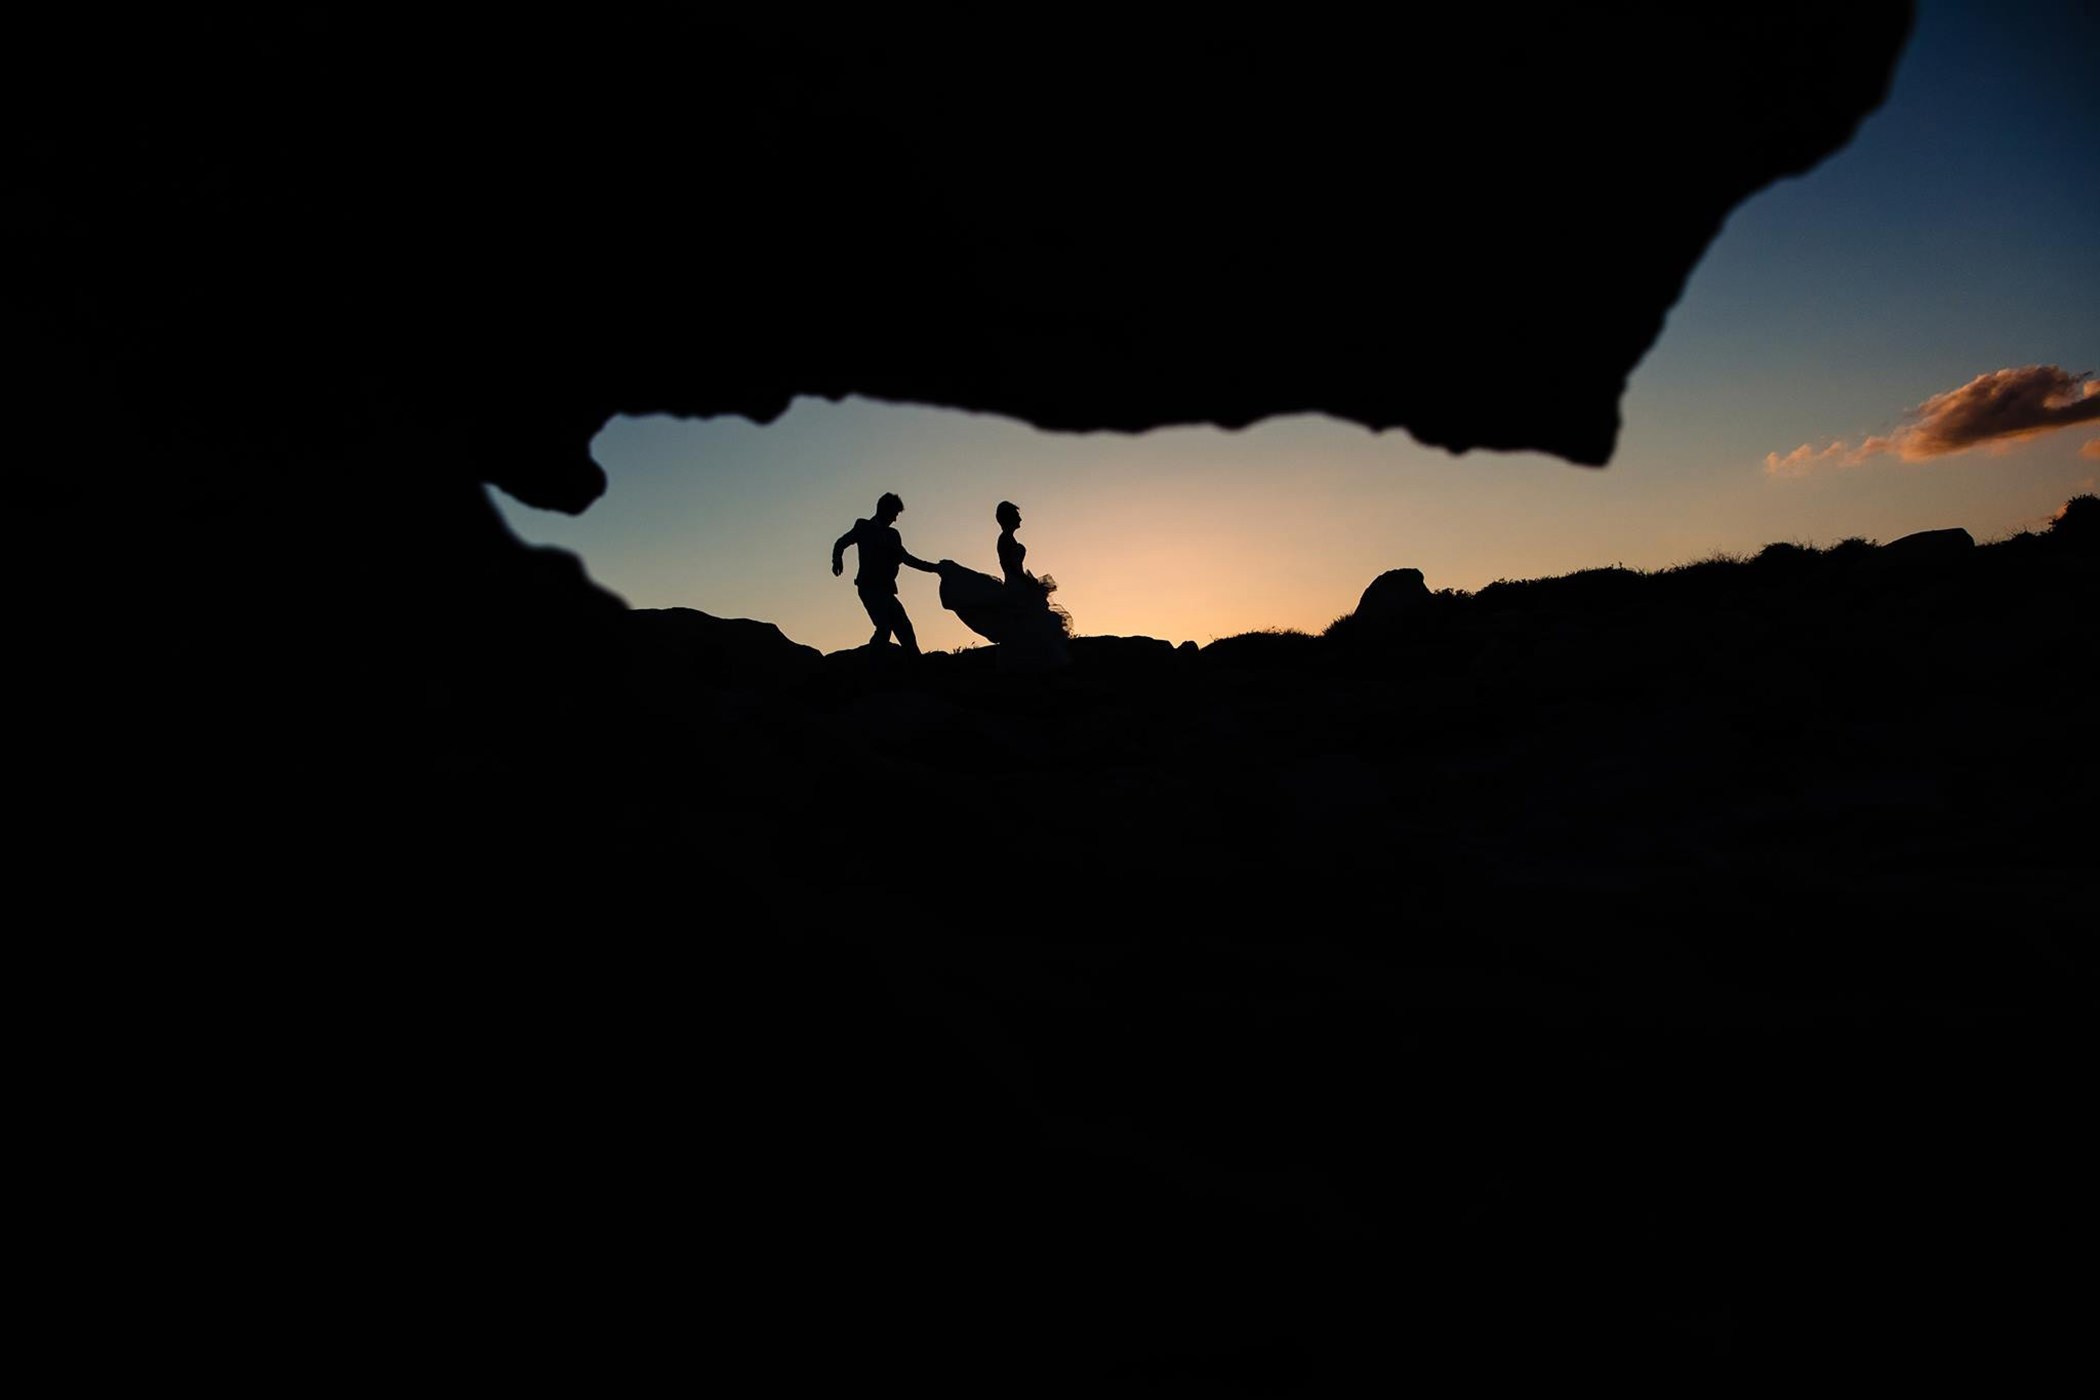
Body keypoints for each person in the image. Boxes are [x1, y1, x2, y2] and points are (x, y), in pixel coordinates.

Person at [936, 499, 1071, 667]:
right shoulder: (1005, 539)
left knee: (1029, 623)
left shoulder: (1008, 539)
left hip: (1018, 583)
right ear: (1009, 518)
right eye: (1017, 515)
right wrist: (1028, 582)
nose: (1020, 519)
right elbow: (1011, 568)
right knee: (1026, 623)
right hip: (1016, 585)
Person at [832, 492, 939, 655]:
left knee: (906, 630)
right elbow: (841, 543)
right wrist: (837, 559)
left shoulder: (893, 536)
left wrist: (935, 568)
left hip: (887, 591)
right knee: (884, 628)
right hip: (868, 588)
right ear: (884, 510)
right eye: (894, 514)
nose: (895, 519)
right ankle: (872, 665)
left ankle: (917, 666)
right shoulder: (863, 527)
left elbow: (907, 558)